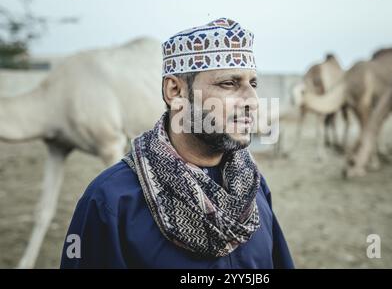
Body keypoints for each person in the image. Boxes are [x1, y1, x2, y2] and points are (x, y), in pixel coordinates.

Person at [60, 18, 294, 268]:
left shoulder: (253, 188)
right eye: (229, 83)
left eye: (253, 84)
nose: (252, 100)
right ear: (175, 91)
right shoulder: (112, 200)